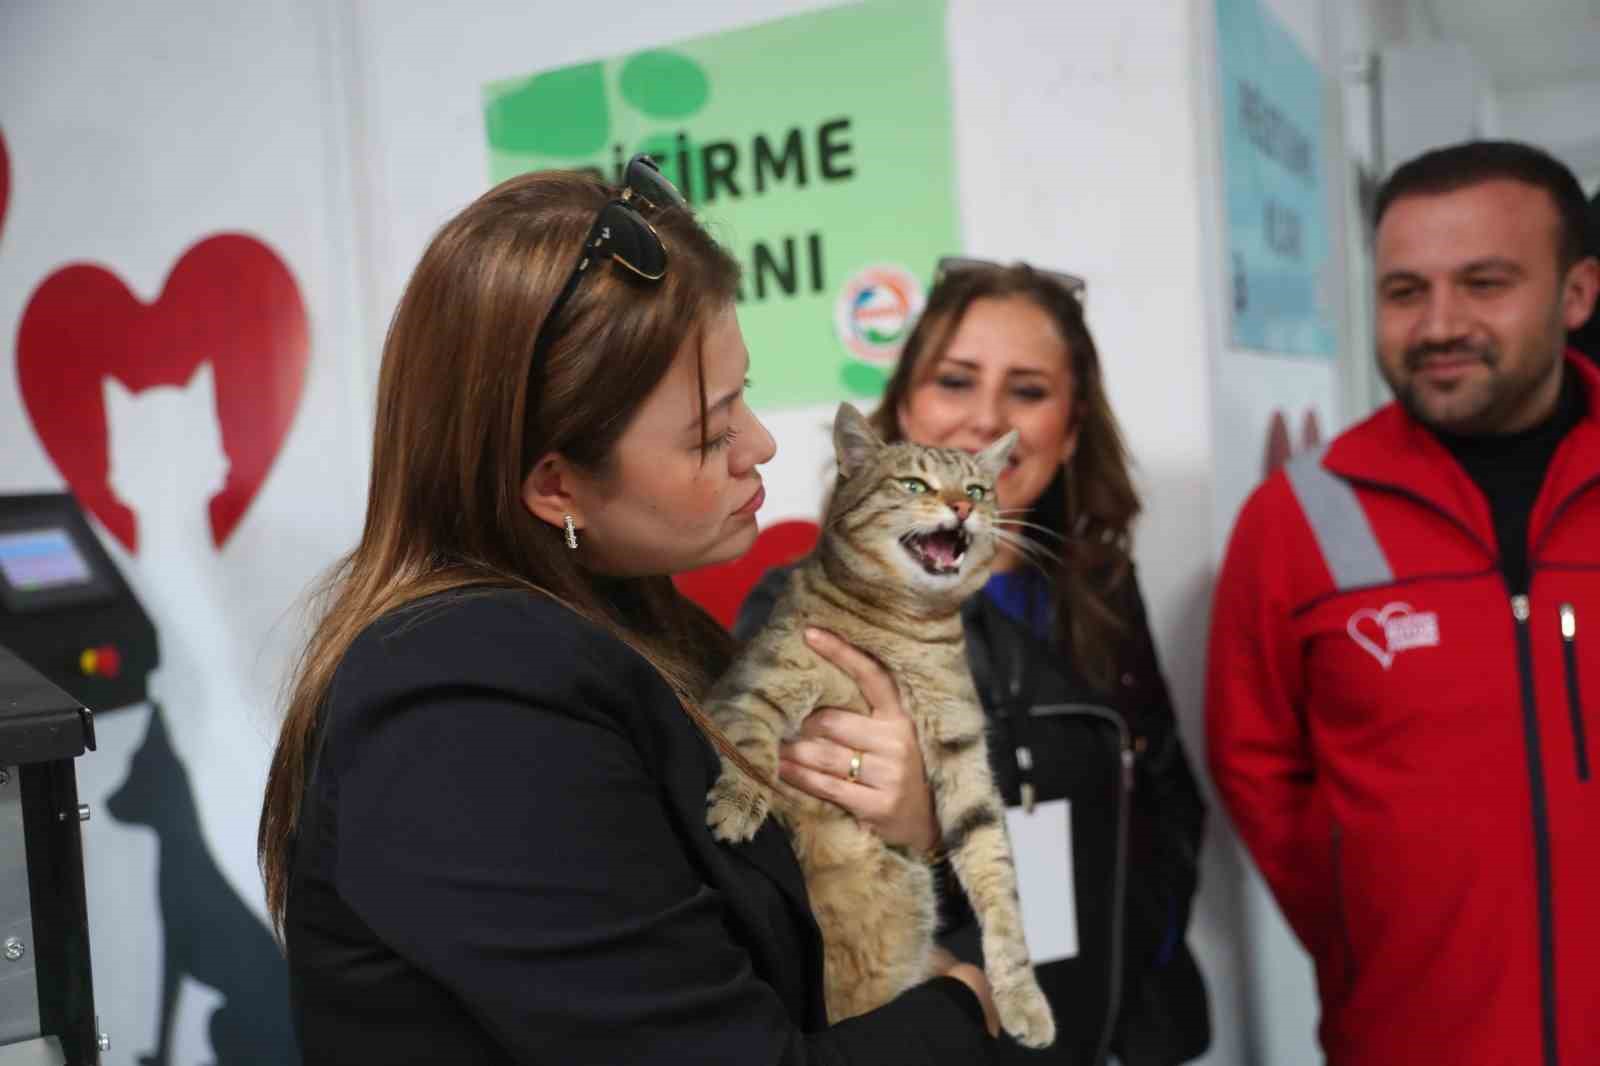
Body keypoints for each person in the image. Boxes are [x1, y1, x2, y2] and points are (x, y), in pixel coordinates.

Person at [256, 157, 1004, 1064]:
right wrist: (963, 1009)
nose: (759, 445)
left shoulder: (641, 626)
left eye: (745, 397)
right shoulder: (464, 707)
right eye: (711, 429)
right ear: (556, 485)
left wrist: (911, 827)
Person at [738, 260, 1211, 1065]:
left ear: (1070, 427)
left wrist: (1133, 959)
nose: (984, 418)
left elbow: (1164, 798)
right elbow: (800, 869)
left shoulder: (1100, 591)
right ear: (906, 407)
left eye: (1027, 392)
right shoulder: (808, 608)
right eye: (955, 382)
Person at [1207, 140, 1600, 1066]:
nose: (1439, 324)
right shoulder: (1300, 516)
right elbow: (1255, 763)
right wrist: (1369, 927)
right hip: (1412, 1035)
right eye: (1404, 291)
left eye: (1486, 283)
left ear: (1576, 294)